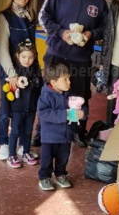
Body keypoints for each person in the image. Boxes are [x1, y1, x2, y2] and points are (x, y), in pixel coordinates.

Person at [38, 0, 108, 147]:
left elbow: (105, 28)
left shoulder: (99, 1)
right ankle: (42, 130)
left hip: (81, 58)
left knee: (80, 95)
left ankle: (77, 131)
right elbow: (44, 16)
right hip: (57, 53)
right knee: (50, 93)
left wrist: (90, 34)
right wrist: (62, 33)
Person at [0, 0, 38, 161]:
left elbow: (32, 46)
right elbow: (2, 48)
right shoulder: (4, 17)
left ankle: (23, 145)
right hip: (10, 73)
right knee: (7, 110)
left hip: (28, 71)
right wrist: (11, 74)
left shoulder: (30, 16)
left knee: (26, 109)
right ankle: (4, 144)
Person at [37, 63, 84, 191]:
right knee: (47, 159)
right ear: (53, 82)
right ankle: (44, 177)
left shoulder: (69, 94)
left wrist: (82, 113)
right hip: (50, 136)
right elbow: (43, 113)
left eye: (69, 78)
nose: (69, 82)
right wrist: (66, 114)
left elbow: (78, 107)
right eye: (65, 79)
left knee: (63, 157)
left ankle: (61, 174)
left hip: (65, 135)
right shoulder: (46, 95)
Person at [6, 39, 42, 168]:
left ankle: (26, 152)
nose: (27, 60)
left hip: (31, 109)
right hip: (17, 109)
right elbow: (7, 93)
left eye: (30, 57)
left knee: (28, 131)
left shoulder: (36, 71)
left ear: (35, 57)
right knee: (15, 131)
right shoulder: (13, 73)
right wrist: (7, 110)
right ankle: (11, 155)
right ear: (17, 56)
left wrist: (38, 107)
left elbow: (40, 89)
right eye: (24, 57)